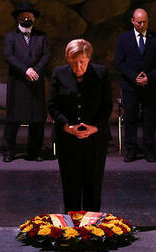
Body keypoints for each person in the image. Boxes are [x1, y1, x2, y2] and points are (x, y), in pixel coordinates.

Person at [48, 39, 112, 212]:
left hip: (95, 139)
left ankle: (91, 229)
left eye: (82, 62)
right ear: (68, 59)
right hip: (68, 139)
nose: (78, 66)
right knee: (71, 186)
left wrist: (95, 127)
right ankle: (72, 230)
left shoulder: (101, 73)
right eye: (74, 62)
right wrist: (67, 126)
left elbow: (107, 106)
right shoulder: (59, 74)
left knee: (93, 185)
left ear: (88, 58)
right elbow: (53, 106)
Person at [114, 8, 156, 162]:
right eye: (139, 22)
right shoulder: (124, 39)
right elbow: (119, 62)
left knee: (150, 118)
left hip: (150, 86)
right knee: (130, 118)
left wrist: (148, 77)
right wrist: (134, 77)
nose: (142, 25)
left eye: (145, 22)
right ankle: (131, 149)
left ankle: (149, 149)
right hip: (130, 86)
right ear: (133, 21)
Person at [2, 2, 51, 162]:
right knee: (13, 119)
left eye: (29, 16)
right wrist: (26, 70)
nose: (26, 18)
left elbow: (46, 55)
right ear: (17, 18)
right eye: (23, 16)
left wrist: (35, 69)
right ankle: (8, 151)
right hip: (18, 82)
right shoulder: (10, 36)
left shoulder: (41, 36)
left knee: (37, 119)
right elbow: (9, 56)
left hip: (36, 83)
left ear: (34, 18)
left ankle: (35, 151)